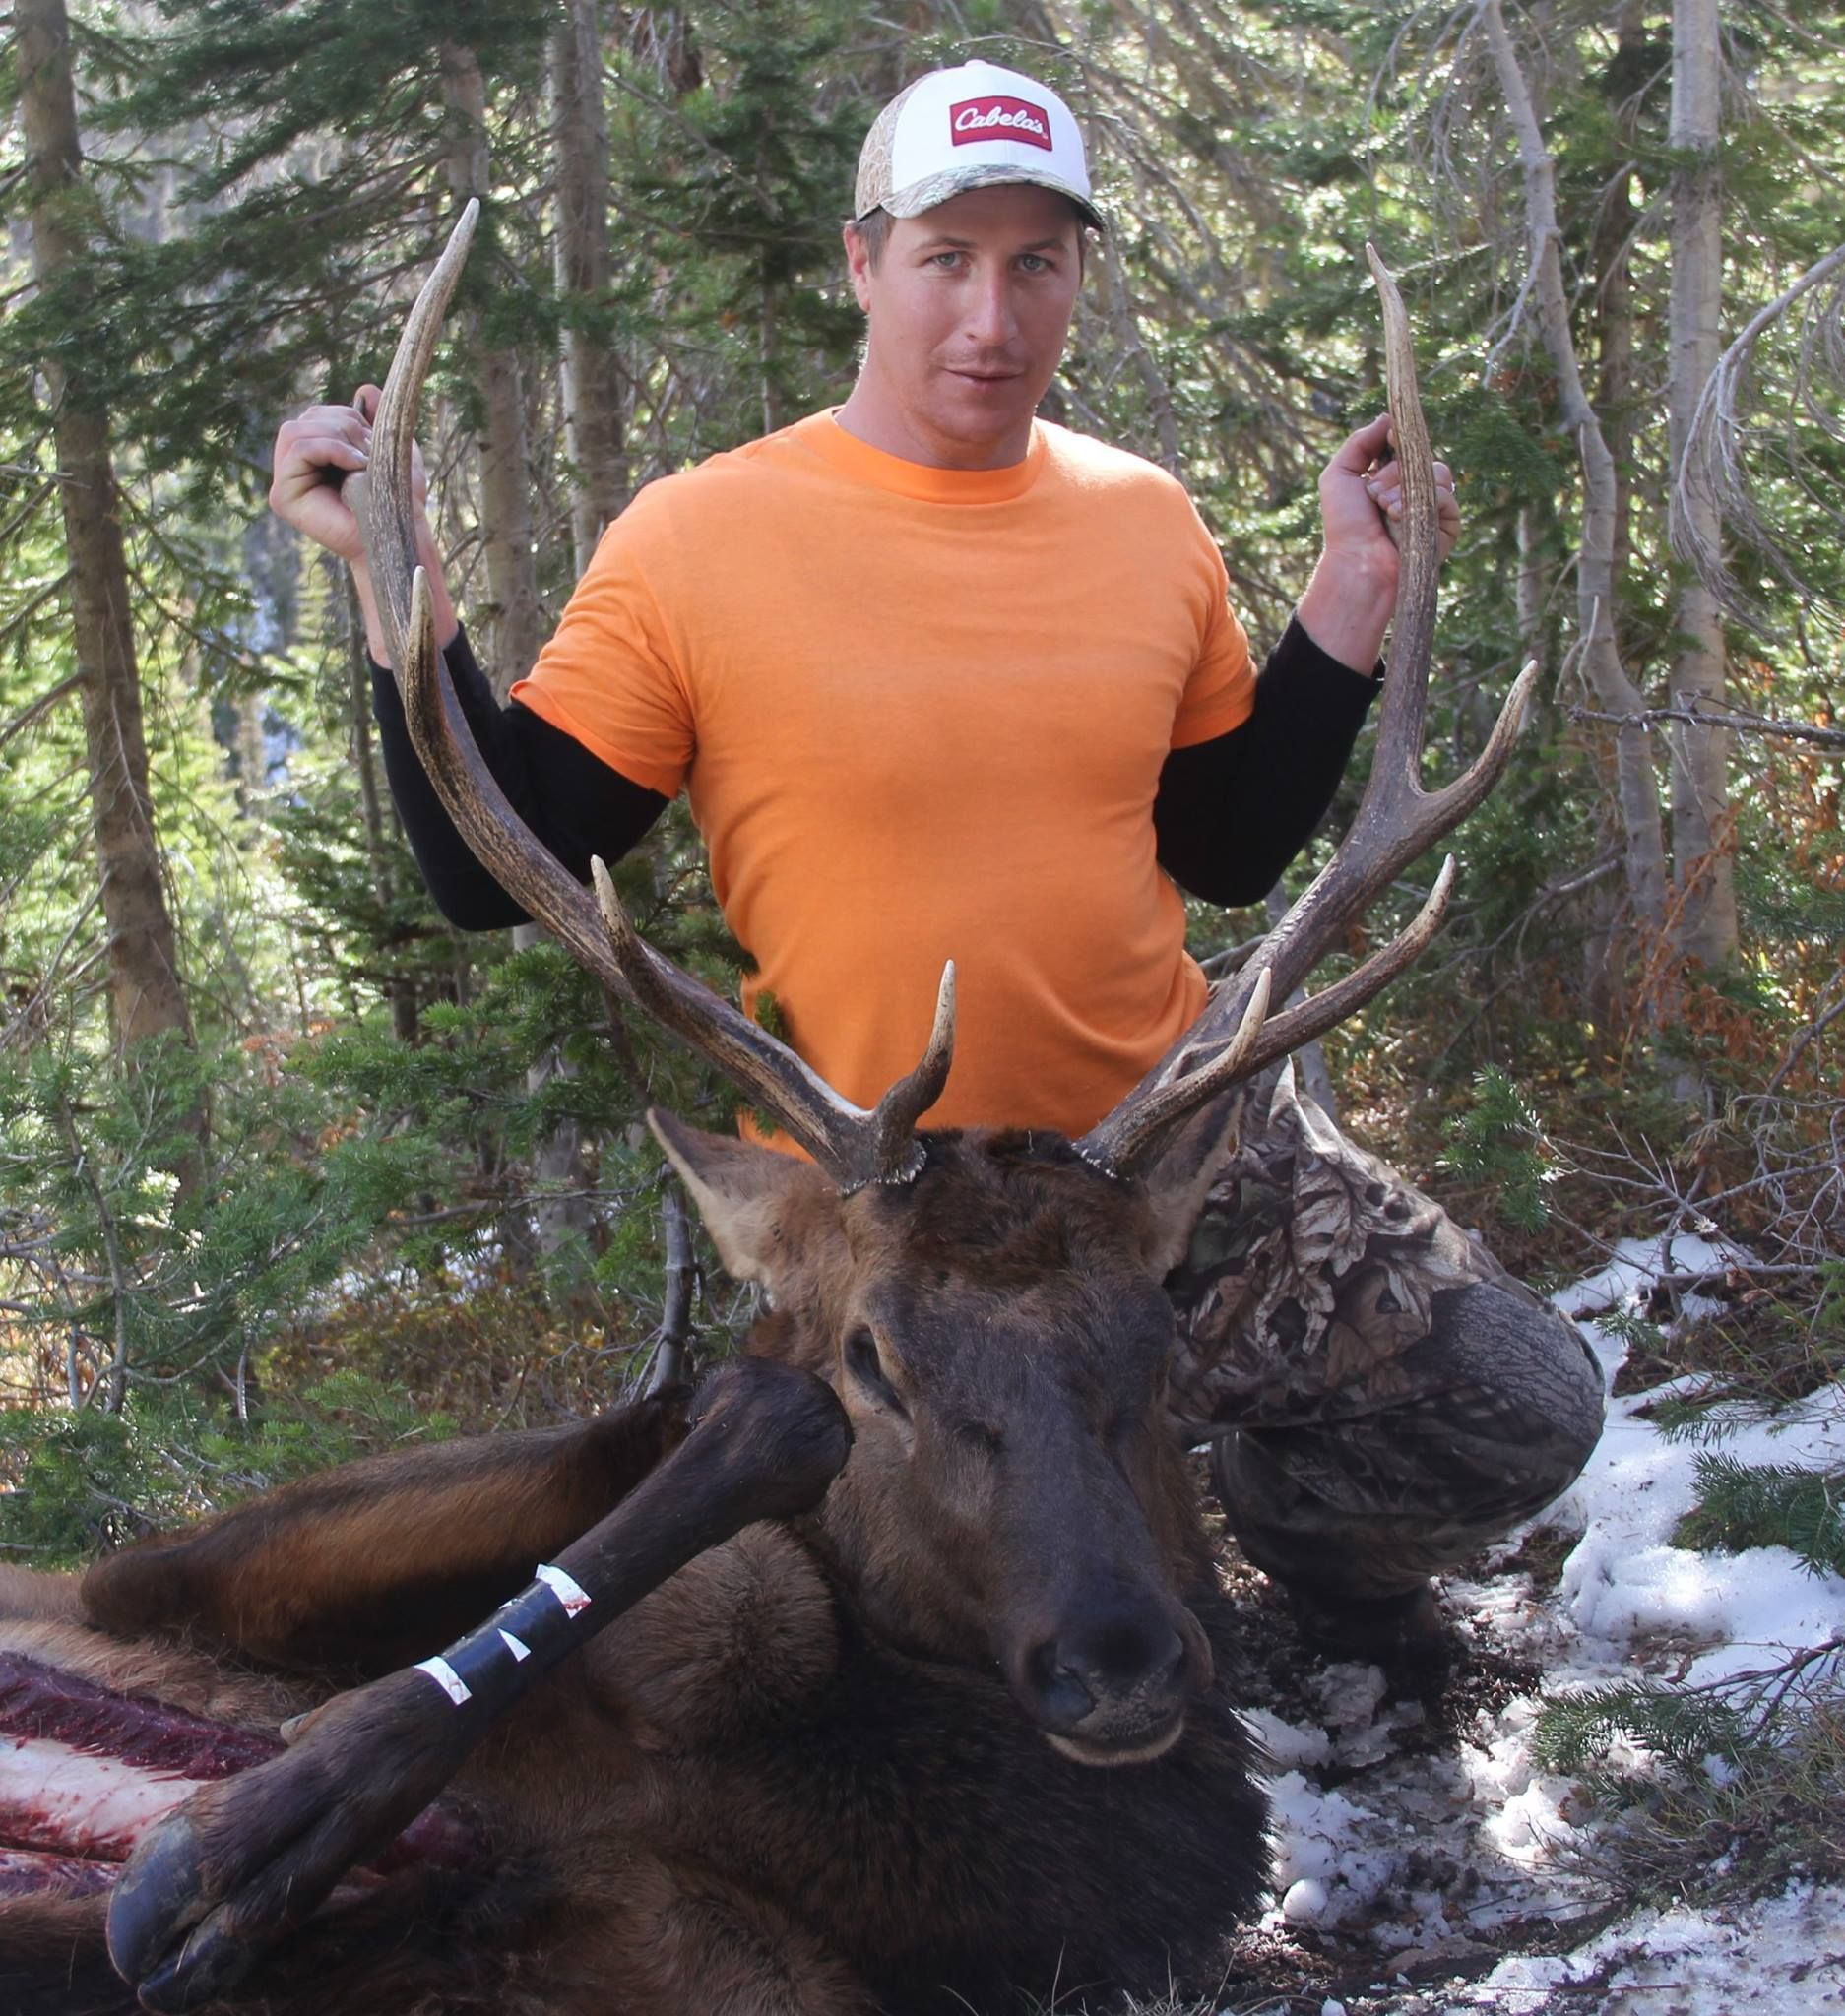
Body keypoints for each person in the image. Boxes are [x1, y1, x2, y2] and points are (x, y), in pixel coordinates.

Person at [271, 59, 1603, 1662]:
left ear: (1077, 275)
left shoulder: (1143, 516)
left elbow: (1227, 844)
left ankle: (1293, 1548)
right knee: (901, 1659)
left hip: (1159, 1150)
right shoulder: (699, 541)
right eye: (945, 258)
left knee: (1514, 1412)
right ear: (860, 263)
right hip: (883, 1214)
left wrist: (1343, 601)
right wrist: (387, 584)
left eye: (1036, 260)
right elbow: (499, 864)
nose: (992, 317)